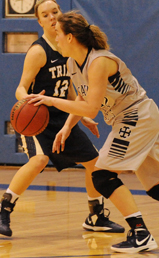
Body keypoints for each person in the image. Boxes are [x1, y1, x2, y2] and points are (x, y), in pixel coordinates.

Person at [28, 10, 159, 253]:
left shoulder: (99, 61)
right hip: (136, 119)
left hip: (136, 117)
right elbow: (82, 97)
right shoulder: (71, 63)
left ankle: (140, 232)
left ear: (70, 38)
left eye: (57, 34)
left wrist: (52, 102)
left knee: (101, 175)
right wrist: (67, 126)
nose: (54, 39)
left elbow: (91, 107)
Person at [0, 1, 124, 237]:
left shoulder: (67, 49)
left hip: (61, 115)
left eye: (55, 12)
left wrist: (83, 115)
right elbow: (20, 88)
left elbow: (68, 89)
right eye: (45, 15)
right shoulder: (38, 51)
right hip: (37, 116)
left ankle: (96, 215)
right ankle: (4, 210)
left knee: (94, 163)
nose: (51, 17)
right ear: (39, 22)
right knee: (39, 160)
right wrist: (28, 102)